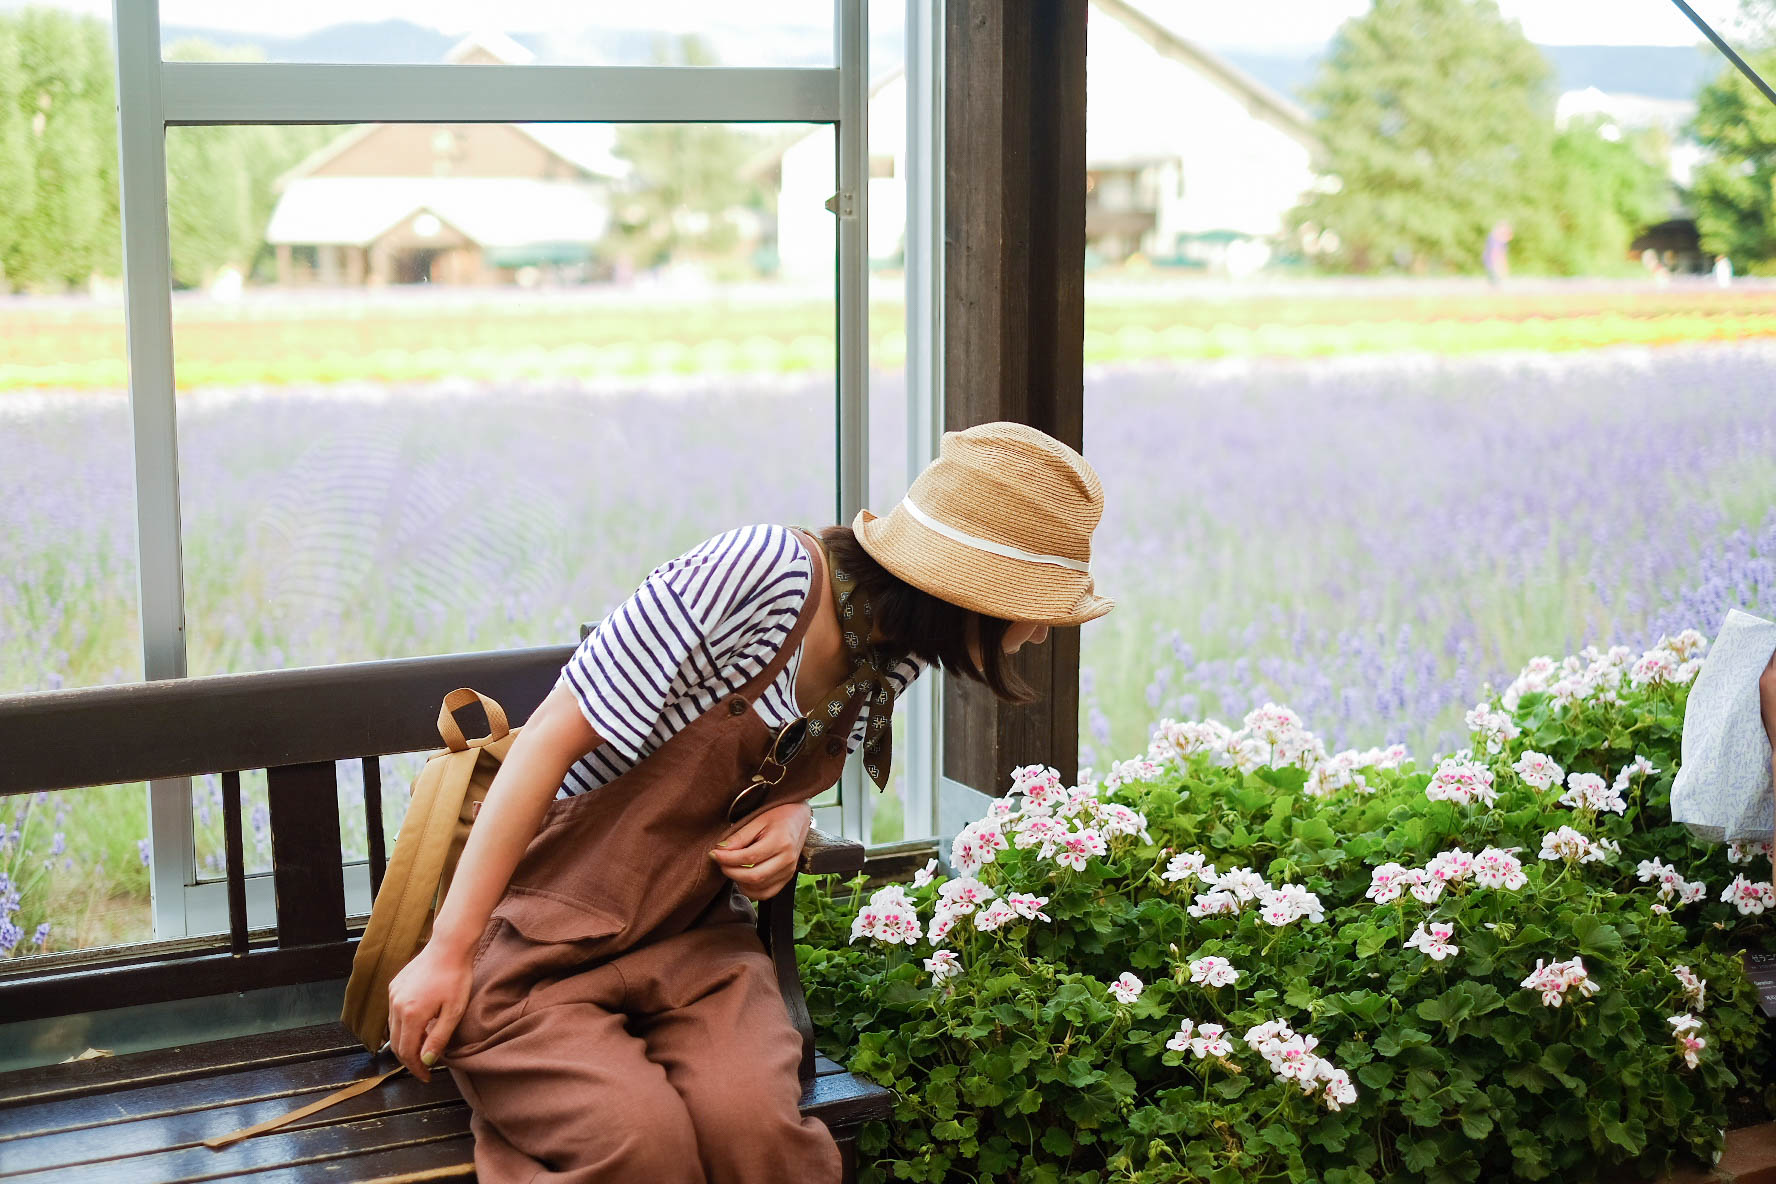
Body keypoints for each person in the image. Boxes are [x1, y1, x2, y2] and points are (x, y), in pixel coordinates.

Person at [385, 420, 1114, 1183]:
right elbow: (547, 743)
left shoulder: (893, 658)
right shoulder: (759, 573)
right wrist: (449, 950)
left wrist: (793, 821)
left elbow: (775, 771)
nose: (1035, 634)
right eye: (1036, 607)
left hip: (693, 942)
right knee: (641, 1145)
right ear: (969, 591)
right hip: (541, 942)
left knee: (759, 1137)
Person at [1483, 220, 1512, 286]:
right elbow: (1496, 254)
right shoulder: (1496, 239)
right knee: (1495, 282)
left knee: (1495, 281)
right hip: (1493, 263)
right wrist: (1500, 266)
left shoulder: (1496, 239)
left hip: (1492, 262)